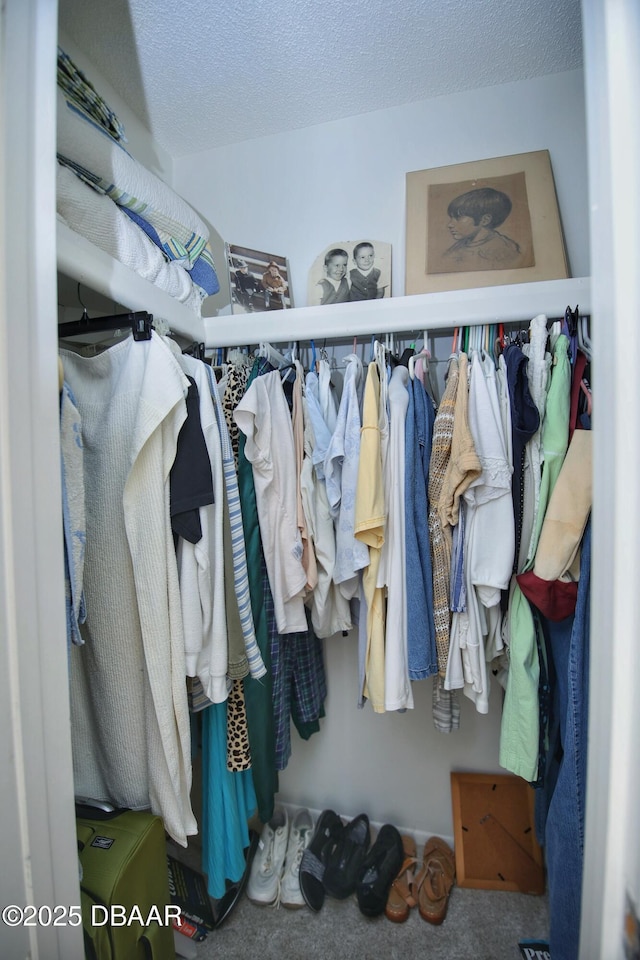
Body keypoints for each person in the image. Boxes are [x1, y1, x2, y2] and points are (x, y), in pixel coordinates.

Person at [442, 187, 522, 268]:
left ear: (485, 220)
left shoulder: (503, 251)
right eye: (451, 218)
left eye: (458, 218)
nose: (450, 224)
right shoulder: (457, 247)